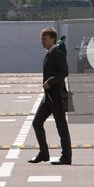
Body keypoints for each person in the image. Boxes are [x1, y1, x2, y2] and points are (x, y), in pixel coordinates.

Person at [28, 26, 71, 166]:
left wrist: (50, 82)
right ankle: (44, 153)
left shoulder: (57, 53)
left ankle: (66, 157)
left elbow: (65, 72)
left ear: (52, 39)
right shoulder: (49, 53)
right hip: (48, 97)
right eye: (41, 38)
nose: (42, 41)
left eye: (44, 39)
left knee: (61, 127)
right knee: (36, 123)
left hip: (56, 96)